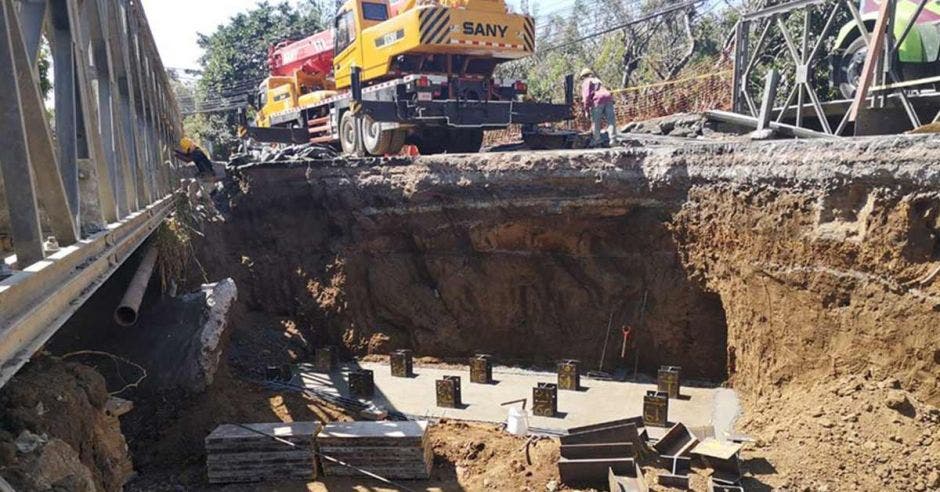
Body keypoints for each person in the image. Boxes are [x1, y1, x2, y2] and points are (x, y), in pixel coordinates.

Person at [579, 68, 618, 147]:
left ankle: (597, 140)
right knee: (611, 121)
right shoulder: (597, 80)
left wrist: (586, 110)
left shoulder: (586, 82)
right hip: (608, 98)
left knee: (596, 122)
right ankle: (613, 140)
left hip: (597, 100)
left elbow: (586, 96)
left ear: (583, 77)